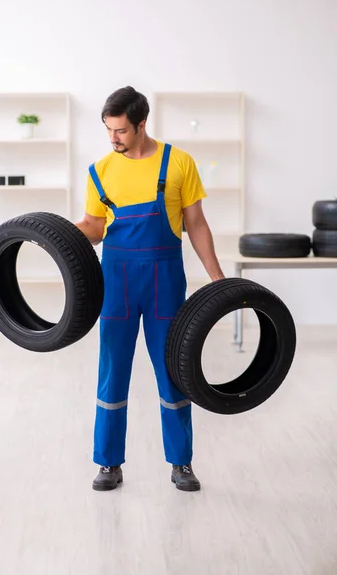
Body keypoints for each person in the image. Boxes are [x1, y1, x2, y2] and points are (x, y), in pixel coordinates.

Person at [75, 86, 225, 492]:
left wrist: (218, 280)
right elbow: (94, 226)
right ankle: (108, 463)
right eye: (108, 130)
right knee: (112, 372)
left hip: (164, 282)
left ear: (142, 124)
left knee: (173, 372)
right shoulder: (100, 170)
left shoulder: (178, 163)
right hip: (117, 283)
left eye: (121, 130)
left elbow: (195, 224)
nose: (113, 138)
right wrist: (60, 233)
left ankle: (181, 462)